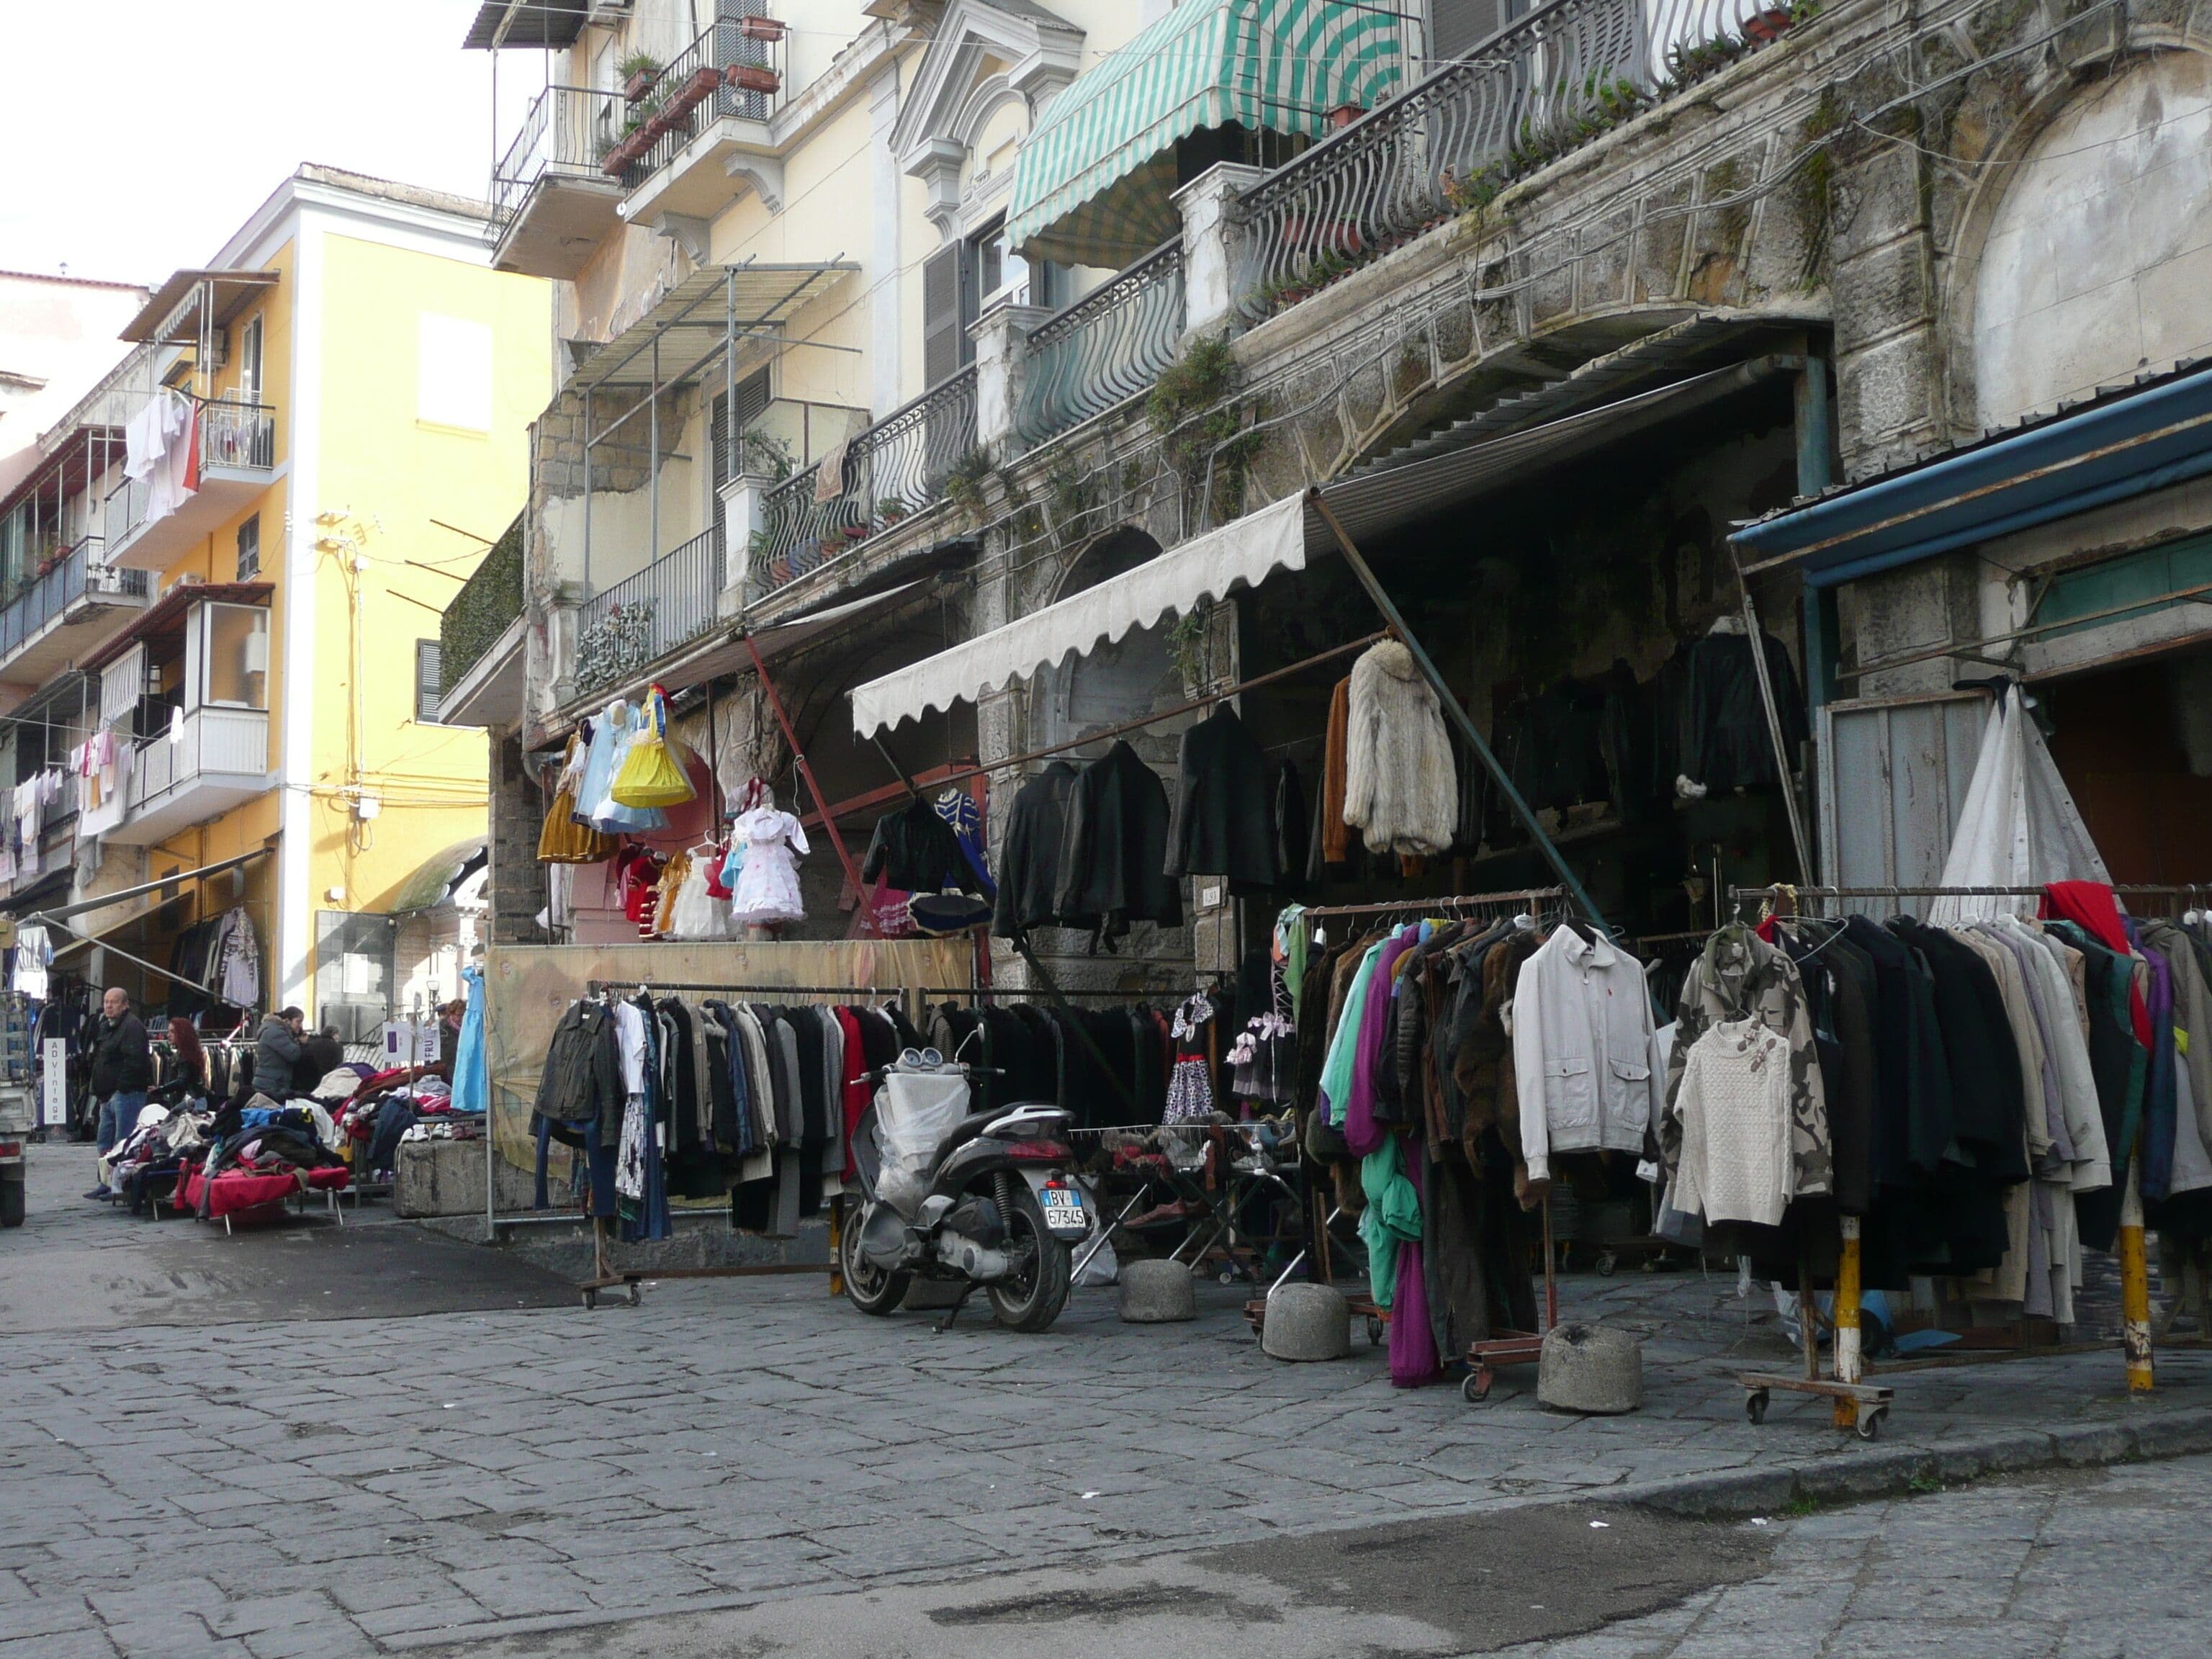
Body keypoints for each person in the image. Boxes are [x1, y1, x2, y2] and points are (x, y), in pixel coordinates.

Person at [87, 987, 151, 1194]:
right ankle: (105, 1183)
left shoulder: (132, 1027)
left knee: (123, 1143)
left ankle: (119, 1186)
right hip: (107, 1096)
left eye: (114, 1002)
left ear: (125, 1005)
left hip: (126, 1094)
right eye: (106, 1001)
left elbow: (136, 1061)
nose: (109, 1006)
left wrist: (121, 1088)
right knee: (104, 1142)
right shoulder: (106, 1026)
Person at [254, 1005, 306, 1100]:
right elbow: (294, 1055)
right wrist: (301, 1043)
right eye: (298, 1021)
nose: (301, 1026)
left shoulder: (275, 1029)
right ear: (287, 1021)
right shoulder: (276, 1032)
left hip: (270, 1082)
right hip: (272, 1085)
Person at [297, 1024, 344, 1094]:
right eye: (337, 1034)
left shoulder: (312, 1043)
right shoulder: (337, 1046)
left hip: (310, 1079)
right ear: (333, 1035)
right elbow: (338, 1065)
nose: (338, 1037)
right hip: (327, 1080)